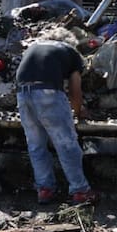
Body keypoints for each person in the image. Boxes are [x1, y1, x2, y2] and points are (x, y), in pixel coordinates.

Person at [15, 34, 100, 205]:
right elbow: (75, 89)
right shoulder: (74, 55)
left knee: (36, 145)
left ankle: (45, 189)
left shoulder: (37, 46)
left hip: (22, 93)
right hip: (47, 93)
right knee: (66, 143)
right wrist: (78, 111)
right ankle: (80, 191)